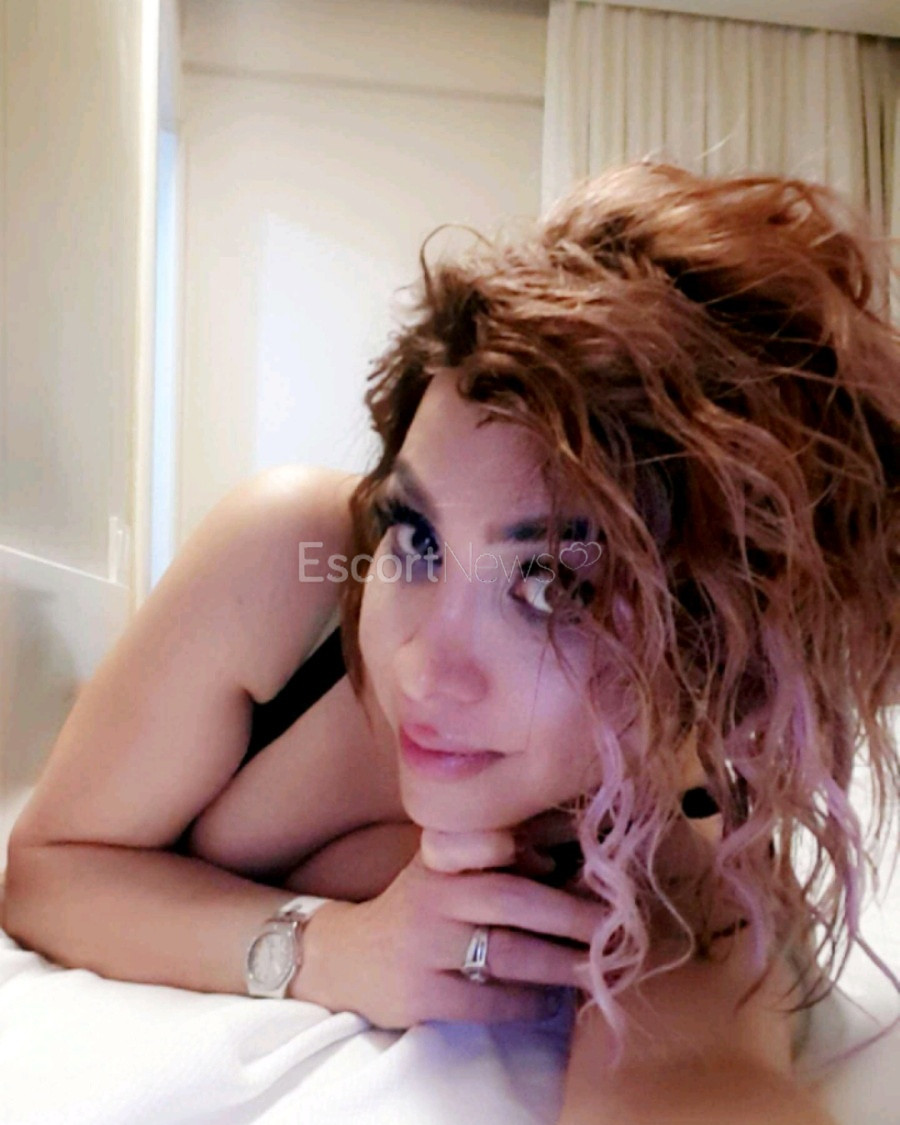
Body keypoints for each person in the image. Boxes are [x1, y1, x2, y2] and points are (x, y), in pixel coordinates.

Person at [3, 161, 898, 1124]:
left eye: (554, 585)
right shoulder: (291, 562)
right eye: (418, 538)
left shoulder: (666, 840)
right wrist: (329, 949)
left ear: (712, 643)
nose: (422, 665)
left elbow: (690, 1076)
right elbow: (49, 867)